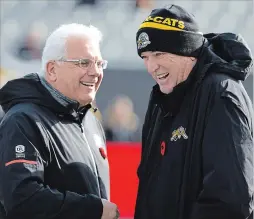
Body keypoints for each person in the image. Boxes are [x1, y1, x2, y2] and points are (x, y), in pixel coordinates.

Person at [134, 5, 253, 219]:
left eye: (159, 53)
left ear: (187, 51)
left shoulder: (220, 94)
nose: (151, 67)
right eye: (145, 57)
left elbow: (230, 199)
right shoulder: (164, 97)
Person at [0, 23, 120, 219]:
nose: (95, 72)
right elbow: (23, 199)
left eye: (99, 63)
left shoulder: (91, 121)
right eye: (83, 63)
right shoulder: (23, 120)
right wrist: (93, 209)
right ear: (52, 70)